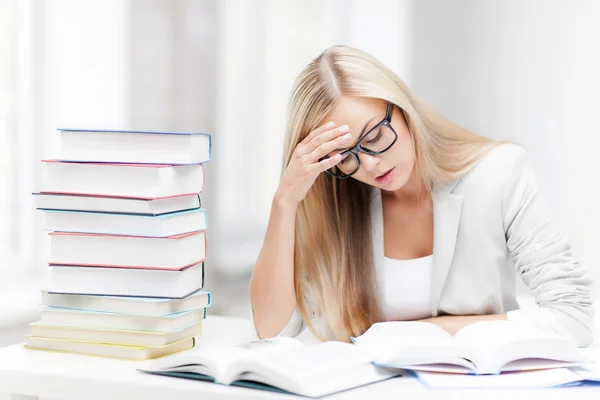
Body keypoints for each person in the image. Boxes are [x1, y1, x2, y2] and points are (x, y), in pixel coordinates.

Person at [248, 45, 593, 346]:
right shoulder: (339, 198)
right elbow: (271, 330)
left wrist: (431, 332)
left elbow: (572, 317)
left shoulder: (499, 172)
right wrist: (285, 202)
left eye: (375, 136)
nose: (369, 163)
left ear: (403, 109)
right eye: (345, 156)